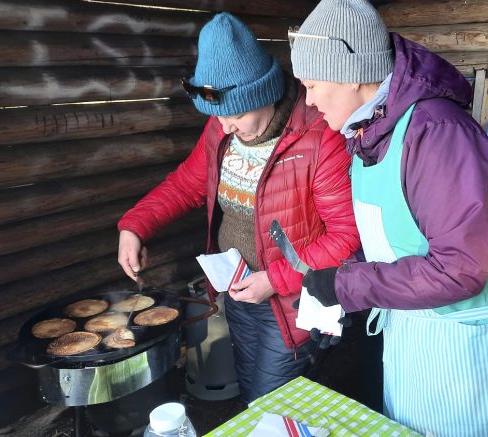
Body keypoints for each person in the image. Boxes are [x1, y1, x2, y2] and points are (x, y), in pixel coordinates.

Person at [289, 1, 488, 436]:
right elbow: (396, 241)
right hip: (421, 339)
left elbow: (458, 271)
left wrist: (347, 286)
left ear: (353, 73)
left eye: (314, 83)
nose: (309, 99)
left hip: (476, 347)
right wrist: (343, 301)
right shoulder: (371, 132)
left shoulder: (437, 133)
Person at [117, 12, 360, 403]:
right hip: (240, 288)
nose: (225, 126)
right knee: (252, 392)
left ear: (263, 94)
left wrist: (275, 280)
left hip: (294, 301)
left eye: (235, 115)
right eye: (219, 116)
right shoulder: (222, 125)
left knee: (271, 402)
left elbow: (346, 237)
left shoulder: (319, 136)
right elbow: (187, 183)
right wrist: (135, 225)